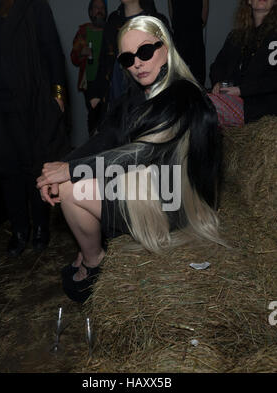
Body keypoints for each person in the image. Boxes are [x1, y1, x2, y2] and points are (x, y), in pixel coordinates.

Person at [37, 15, 223, 303]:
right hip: (152, 185)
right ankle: (92, 249)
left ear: (166, 47)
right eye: (127, 57)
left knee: (70, 188)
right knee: (70, 179)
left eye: (145, 52)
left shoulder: (184, 95)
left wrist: (69, 171)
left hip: (176, 202)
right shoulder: (135, 97)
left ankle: (94, 261)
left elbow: (143, 152)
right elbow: (104, 139)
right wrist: (61, 167)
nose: (137, 63)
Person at [0, 0, 68, 256]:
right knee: (7, 169)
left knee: (34, 164)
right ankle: (19, 229)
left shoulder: (31, 4)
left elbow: (51, 48)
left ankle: (40, 226)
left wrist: (58, 94)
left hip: (29, 100)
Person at [87, 0, 171, 126]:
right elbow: (104, 59)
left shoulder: (156, 20)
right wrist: (97, 92)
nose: (136, 62)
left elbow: (171, 61)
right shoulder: (113, 20)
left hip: (150, 98)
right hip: (116, 94)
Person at [209, 0, 277, 126]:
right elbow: (217, 66)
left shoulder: (274, 37)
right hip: (230, 100)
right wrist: (218, 82)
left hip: (258, 108)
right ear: (249, 1)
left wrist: (241, 90)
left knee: (201, 107)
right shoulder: (236, 35)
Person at [70, 0, 107, 136]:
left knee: (109, 120)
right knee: (94, 120)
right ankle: (96, 157)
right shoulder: (83, 32)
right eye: (96, 8)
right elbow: (73, 58)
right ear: (91, 12)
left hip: (107, 82)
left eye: (102, 8)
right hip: (90, 83)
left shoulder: (110, 30)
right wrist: (81, 52)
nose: (100, 11)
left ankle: (110, 156)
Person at [168, 0, 209, 85]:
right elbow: (204, 18)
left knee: (179, 74)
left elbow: (172, 16)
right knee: (197, 74)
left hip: (180, 33)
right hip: (194, 33)